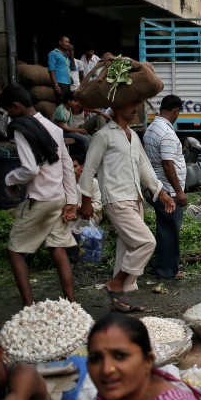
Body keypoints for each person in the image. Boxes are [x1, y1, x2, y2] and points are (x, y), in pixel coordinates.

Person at [79, 101, 175, 312]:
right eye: (131, 105)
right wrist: (86, 201)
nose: (135, 108)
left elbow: (144, 168)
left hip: (135, 198)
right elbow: (89, 170)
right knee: (146, 242)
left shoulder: (132, 135)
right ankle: (115, 284)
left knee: (128, 248)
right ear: (116, 108)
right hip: (115, 199)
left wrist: (162, 194)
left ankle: (118, 299)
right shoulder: (103, 136)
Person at [0, 84, 78, 307]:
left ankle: (28, 306)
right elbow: (66, 165)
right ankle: (72, 304)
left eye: (7, 110)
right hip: (58, 198)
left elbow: (30, 169)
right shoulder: (53, 127)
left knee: (15, 250)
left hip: (40, 199)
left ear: (15, 106)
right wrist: (71, 201)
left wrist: (9, 179)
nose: (8, 115)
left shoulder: (21, 128)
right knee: (57, 248)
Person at [144, 95, 187, 280]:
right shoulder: (167, 133)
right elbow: (168, 164)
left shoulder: (151, 128)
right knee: (170, 230)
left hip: (158, 187)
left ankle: (165, 264)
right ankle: (168, 271)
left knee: (164, 229)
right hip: (168, 191)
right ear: (176, 111)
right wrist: (179, 192)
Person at [72, 154, 103, 224]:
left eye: (75, 166)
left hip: (91, 215)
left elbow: (98, 205)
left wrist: (80, 208)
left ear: (82, 167)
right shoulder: (66, 184)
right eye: (70, 167)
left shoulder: (93, 182)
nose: (72, 170)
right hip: (73, 215)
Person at [48, 35, 72, 104]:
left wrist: (71, 54)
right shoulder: (53, 53)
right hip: (60, 83)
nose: (68, 44)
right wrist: (56, 85)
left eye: (69, 42)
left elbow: (73, 67)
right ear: (60, 42)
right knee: (60, 104)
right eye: (66, 42)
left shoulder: (66, 55)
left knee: (67, 105)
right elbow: (51, 70)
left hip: (68, 83)